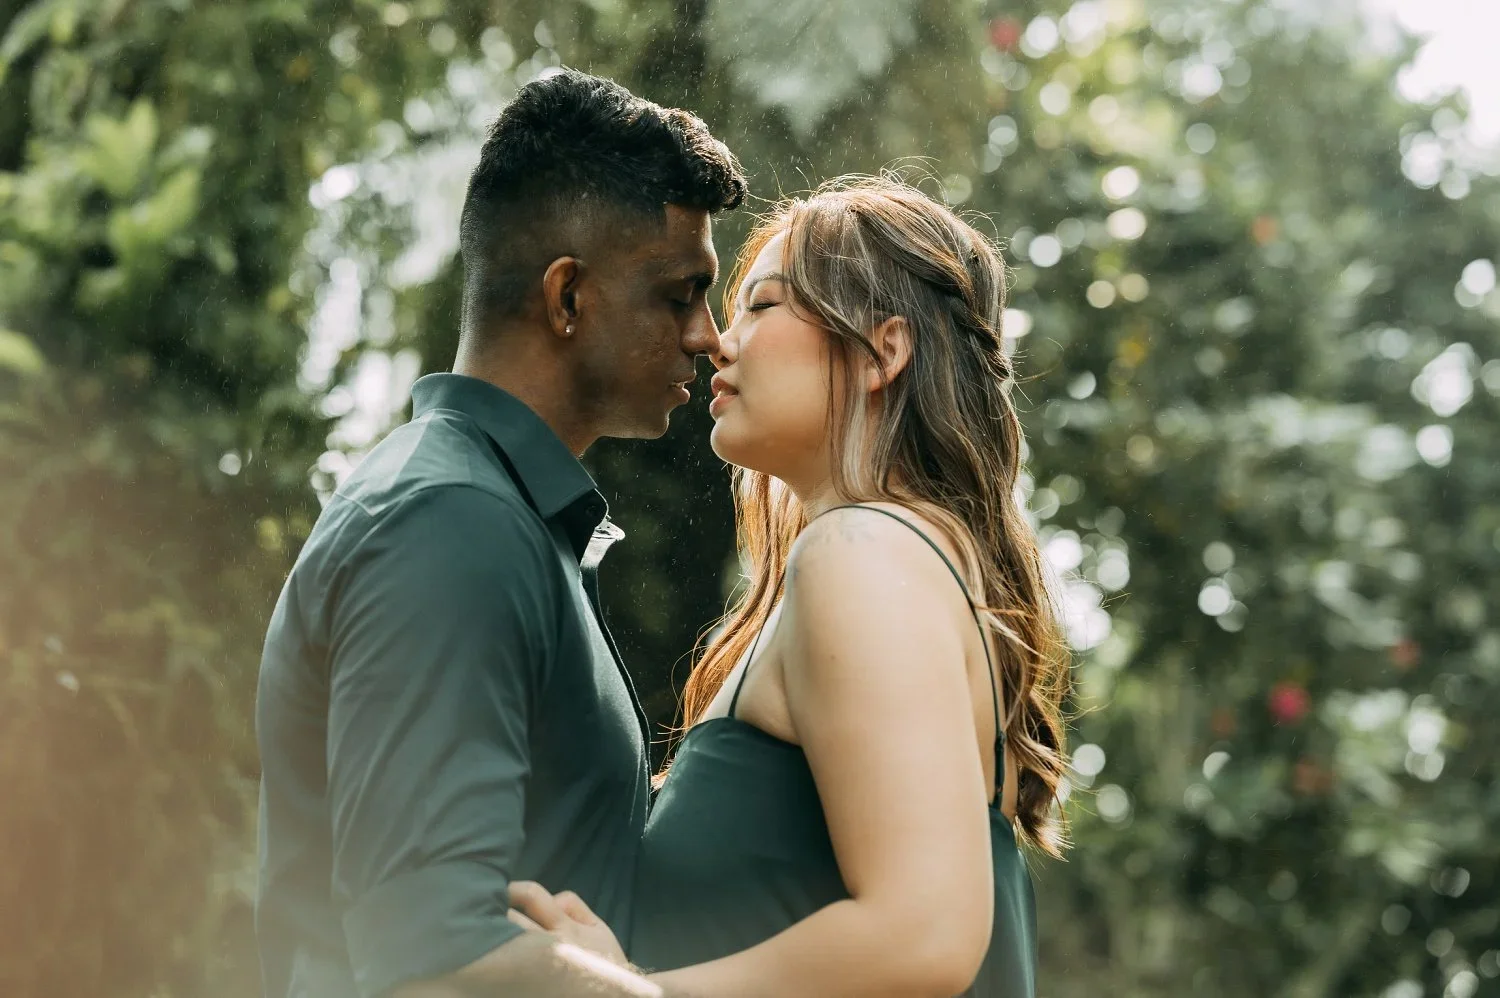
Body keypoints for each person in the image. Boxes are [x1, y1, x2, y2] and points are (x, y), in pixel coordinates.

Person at [510, 175, 1072, 997]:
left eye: (764, 306)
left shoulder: (862, 550)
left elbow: (924, 936)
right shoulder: (897, 559)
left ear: (884, 351)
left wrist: (628, 992)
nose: (716, 342)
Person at [254, 69, 745, 998]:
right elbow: (435, 961)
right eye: (681, 294)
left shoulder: (499, 516)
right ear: (568, 297)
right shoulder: (450, 524)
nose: (708, 336)